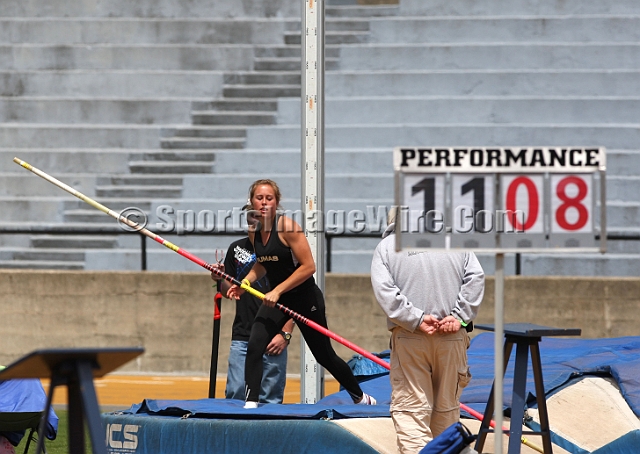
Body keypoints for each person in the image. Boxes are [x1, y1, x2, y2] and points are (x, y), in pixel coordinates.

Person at [226, 179, 377, 408]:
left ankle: (359, 396)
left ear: (277, 202)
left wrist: (276, 290)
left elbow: (309, 267)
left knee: (323, 355)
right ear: (252, 202)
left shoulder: (288, 228)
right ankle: (252, 403)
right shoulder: (256, 232)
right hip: (280, 298)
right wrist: (244, 282)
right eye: (260, 198)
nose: (264, 203)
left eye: (269, 198)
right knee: (255, 344)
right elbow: (263, 264)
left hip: (305, 299)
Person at [370, 208, 485, 454]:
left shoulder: (387, 248)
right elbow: (476, 278)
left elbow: (385, 292)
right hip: (451, 338)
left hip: (410, 337)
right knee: (446, 412)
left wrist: (416, 318)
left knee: (411, 413)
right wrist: (459, 317)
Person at [212, 237, 295, 404]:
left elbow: (296, 296)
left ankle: (268, 430)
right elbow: (230, 291)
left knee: (270, 398)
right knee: (236, 393)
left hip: (273, 338)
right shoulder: (236, 248)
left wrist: (285, 334)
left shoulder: (284, 250)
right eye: (251, 220)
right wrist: (219, 278)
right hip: (243, 336)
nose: (255, 225)